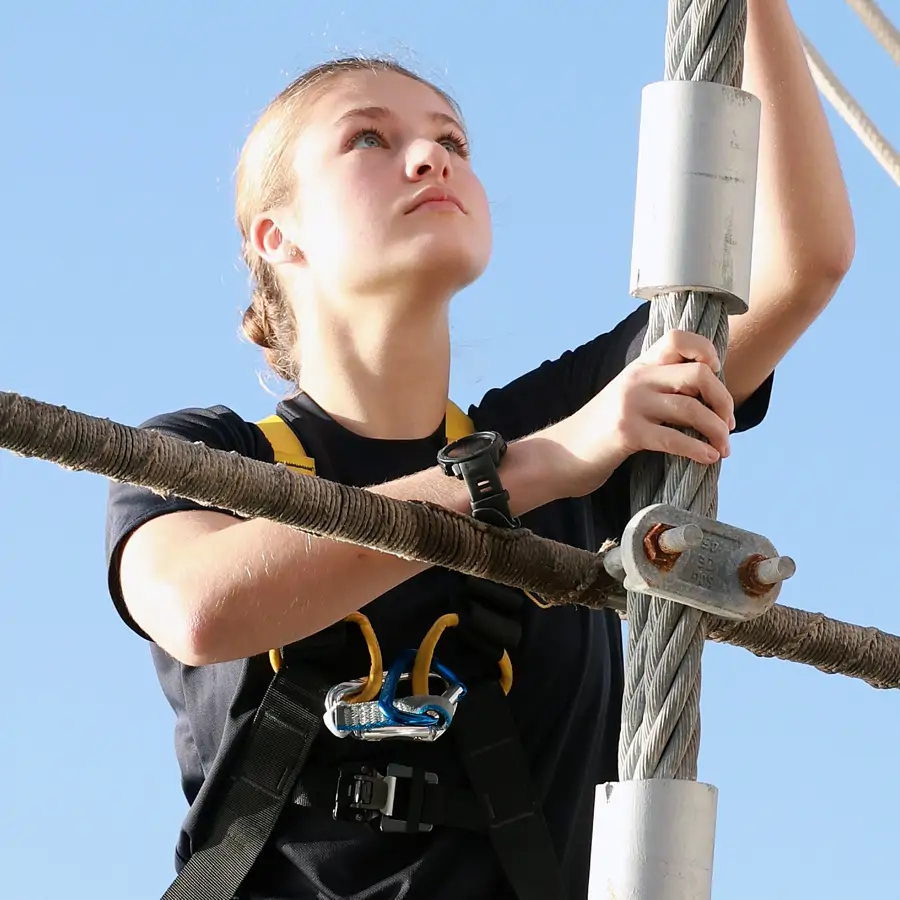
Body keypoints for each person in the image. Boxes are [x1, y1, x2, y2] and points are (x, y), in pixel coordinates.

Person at [104, 5, 854, 898]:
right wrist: (532, 470)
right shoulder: (203, 455)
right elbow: (197, 607)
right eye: (370, 140)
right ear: (277, 235)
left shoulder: (568, 417)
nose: (432, 158)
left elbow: (795, 264)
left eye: (452, 139)